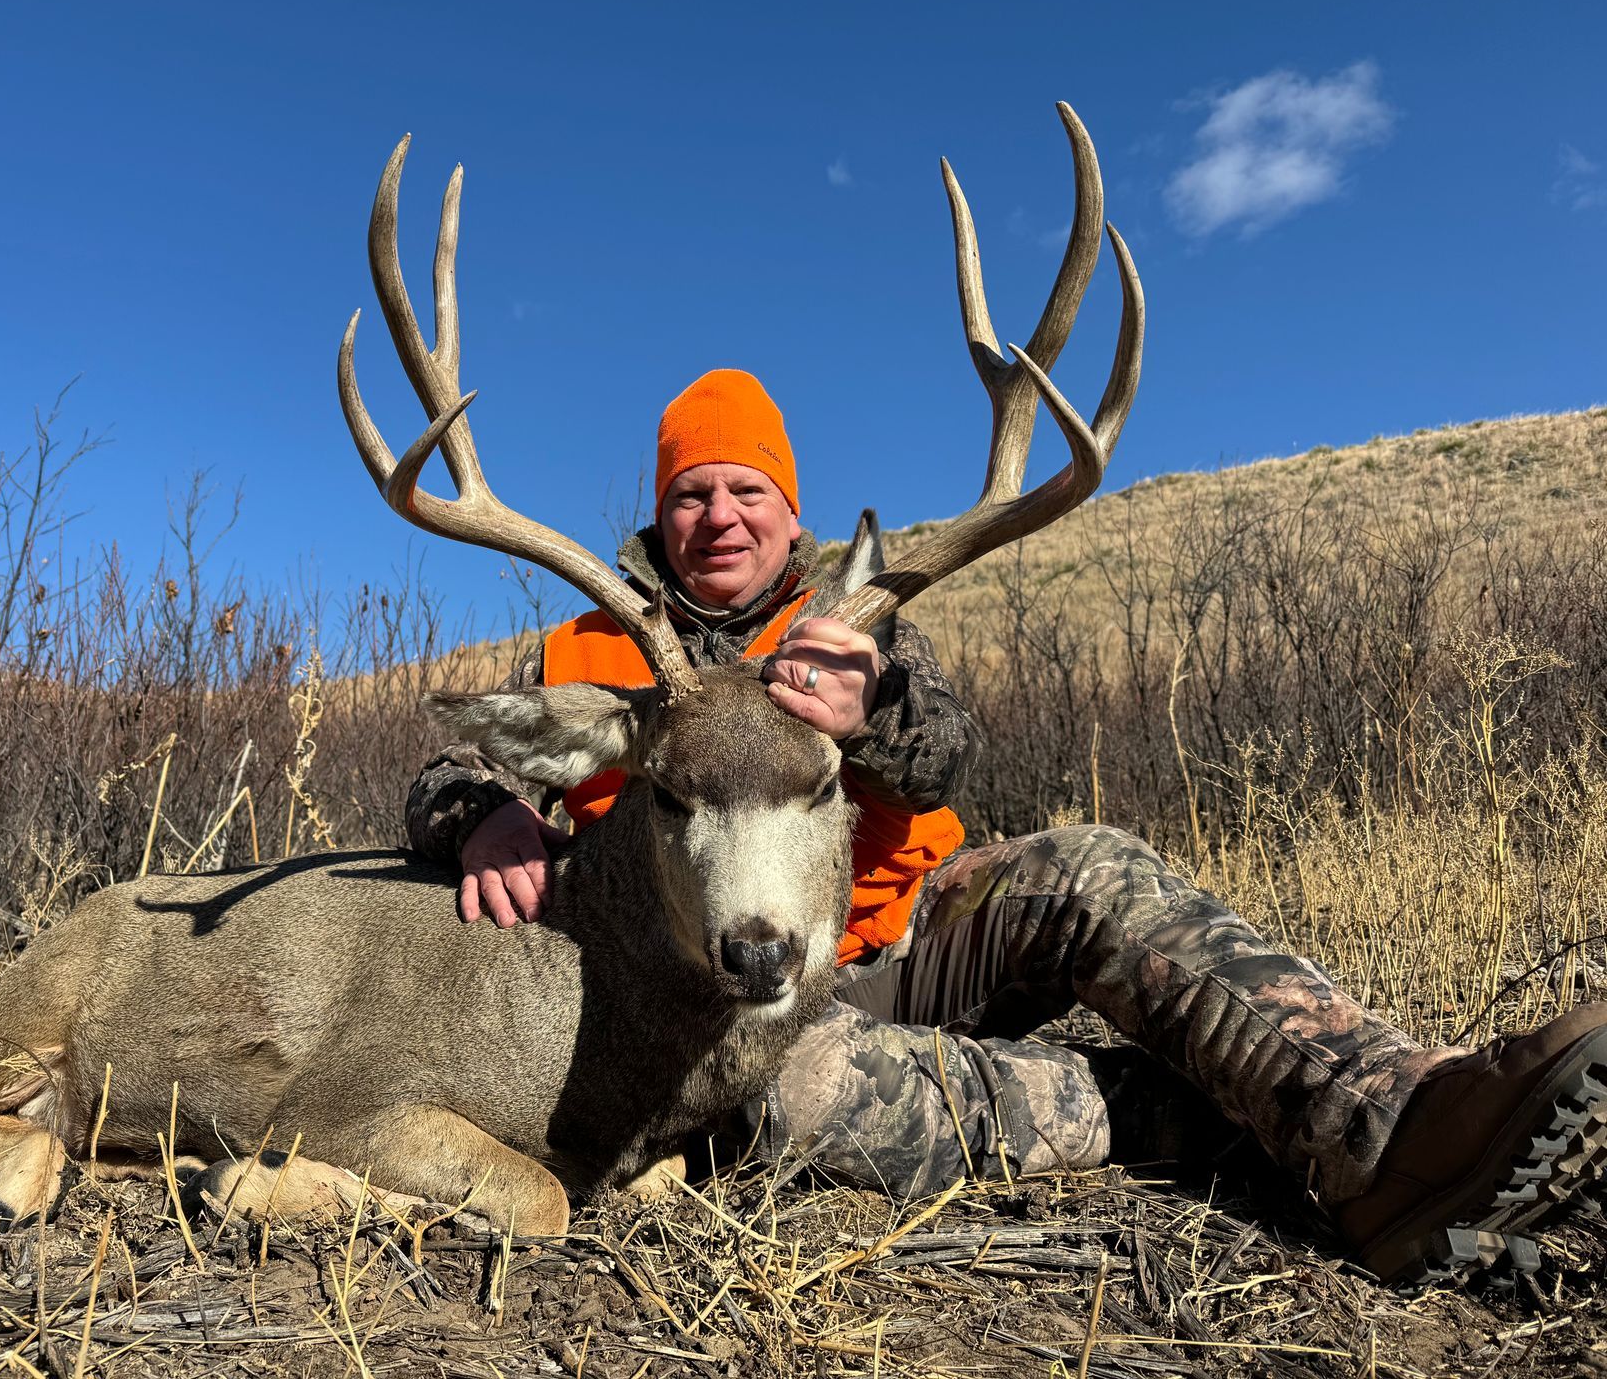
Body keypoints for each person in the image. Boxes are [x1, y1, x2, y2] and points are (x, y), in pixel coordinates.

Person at [405, 367, 1607, 1284]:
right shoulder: (588, 655)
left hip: (912, 929)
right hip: (733, 994)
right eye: (690, 492)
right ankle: (1194, 1119)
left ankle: (1394, 1121)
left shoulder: (851, 619)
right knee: (789, 1095)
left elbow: (953, 755)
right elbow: (450, 763)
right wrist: (484, 814)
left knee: (1091, 868)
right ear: (660, 514)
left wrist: (868, 710)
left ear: (789, 509)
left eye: (745, 490)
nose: (718, 515)